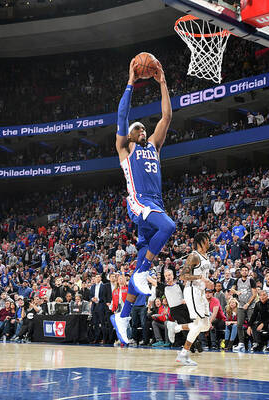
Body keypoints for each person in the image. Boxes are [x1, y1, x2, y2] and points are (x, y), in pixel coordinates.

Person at [111, 57, 175, 345]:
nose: (142, 131)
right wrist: (130, 83)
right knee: (169, 227)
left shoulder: (155, 147)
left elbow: (166, 118)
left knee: (139, 264)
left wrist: (162, 83)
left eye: (142, 129)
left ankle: (122, 316)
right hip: (139, 203)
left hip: (156, 204)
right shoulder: (125, 149)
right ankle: (144, 272)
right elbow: (122, 118)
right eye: (138, 129)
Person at [174, 232, 212, 366]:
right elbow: (183, 276)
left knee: (206, 326)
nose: (209, 242)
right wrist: (200, 278)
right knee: (199, 324)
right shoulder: (194, 256)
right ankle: (183, 354)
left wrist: (208, 282)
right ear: (202, 241)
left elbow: (204, 275)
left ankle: (178, 327)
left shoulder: (206, 256)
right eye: (207, 239)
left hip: (201, 292)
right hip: (192, 291)